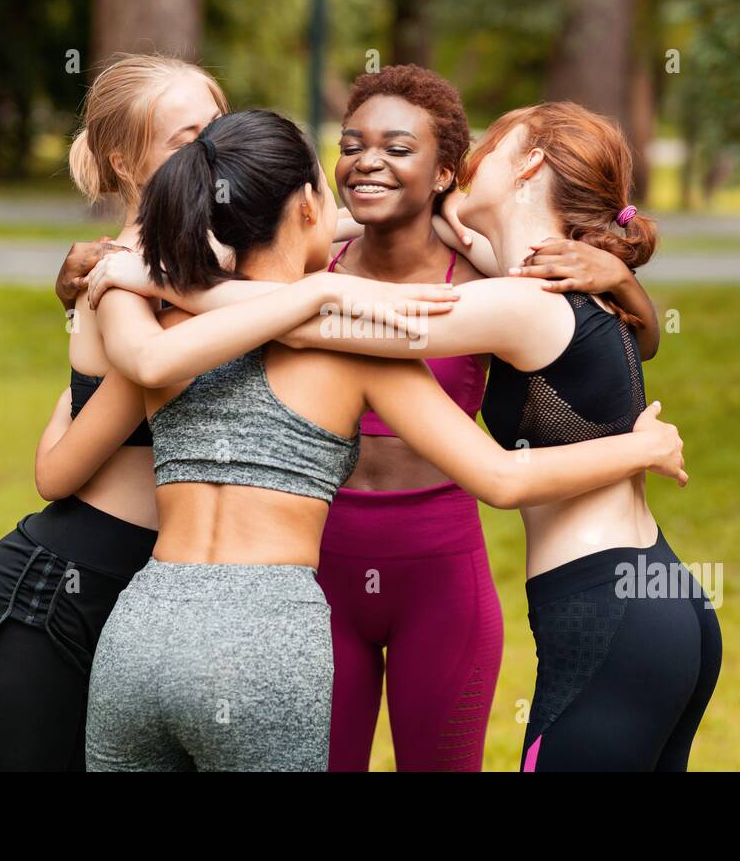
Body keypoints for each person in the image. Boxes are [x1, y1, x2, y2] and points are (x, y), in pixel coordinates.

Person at [37, 109, 689, 771]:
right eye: (338, 165)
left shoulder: (162, 326)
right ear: (308, 206)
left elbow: (61, 463)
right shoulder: (364, 346)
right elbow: (496, 473)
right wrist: (644, 446)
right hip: (264, 642)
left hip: (139, 635)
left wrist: (151, 283)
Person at [0, 54, 227, 770]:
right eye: (185, 137)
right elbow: (56, 474)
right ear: (123, 160)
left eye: (219, 130)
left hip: (162, 601)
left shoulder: (212, 265)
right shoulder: (128, 279)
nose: (212, 152)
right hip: (58, 602)